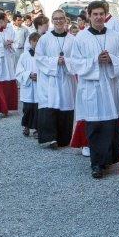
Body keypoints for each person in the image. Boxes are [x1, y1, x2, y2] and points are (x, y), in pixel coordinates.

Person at [66, 1, 119, 178]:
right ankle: (96, 164)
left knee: (111, 124)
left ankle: (110, 158)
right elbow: (74, 64)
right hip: (92, 87)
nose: (99, 17)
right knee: (95, 125)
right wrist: (95, 61)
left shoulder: (116, 36)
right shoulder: (81, 38)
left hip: (111, 86)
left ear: (106, 15)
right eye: (95, 14)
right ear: (89, 16)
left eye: (101, 14)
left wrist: (112, 59)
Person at [34, 10, 77, 148]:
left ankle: (64, 138)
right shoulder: (44, 39)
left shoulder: (72, 39)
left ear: (66, 20)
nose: (59, 21)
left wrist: (67, 61)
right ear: (52, 21)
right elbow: (39, 58)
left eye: (61, 18)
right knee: (49, 105)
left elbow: (78, 59)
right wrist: (54, 61)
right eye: (56, 19)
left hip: (66, 78)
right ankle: (50, 138)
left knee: (65, 105)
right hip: (49, 79)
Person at [17, 31, 41, 136]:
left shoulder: (42, 55)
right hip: (28, 85)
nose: (36, 43)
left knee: (38, 108)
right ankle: (26, 126)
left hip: (39, 85)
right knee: (27, 108)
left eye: (38, 41)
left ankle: (37, 128)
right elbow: (18, 71)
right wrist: (29, 75)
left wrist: (39, 77)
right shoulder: (24, 56)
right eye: (34, 41)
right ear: (30, 42)